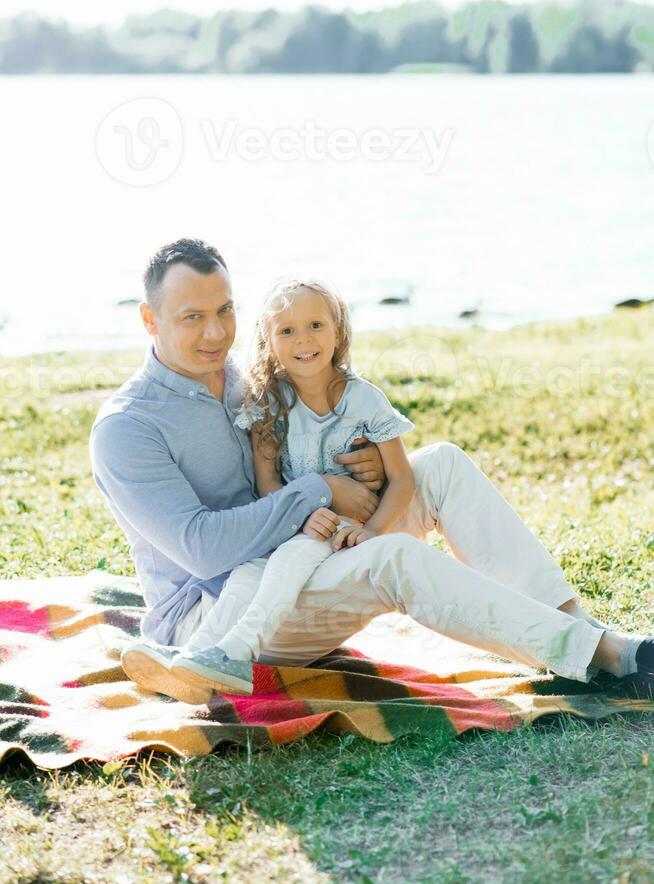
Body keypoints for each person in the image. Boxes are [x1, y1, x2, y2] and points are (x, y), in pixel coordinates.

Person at [90, 238, 654, 706]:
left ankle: (587, 636)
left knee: (442, 466)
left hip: (309, 557)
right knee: (394, 557)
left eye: (225, 311)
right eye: (193, 318)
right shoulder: (128, 427)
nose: (216, 334)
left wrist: (360, 465)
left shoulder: (249, 382)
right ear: (149, 318)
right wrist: (322, 489)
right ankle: (611, 659)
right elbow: (203, 550)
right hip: (220, 618)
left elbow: (312, 438)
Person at [166, 277, 418, 697]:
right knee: (248, 570)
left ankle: (240, 649)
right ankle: (194, 657)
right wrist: (298, 514)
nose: (304, 339)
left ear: (338, 329)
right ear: (268, 341)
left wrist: (372, 530)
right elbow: (268, 483)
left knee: (292, 559)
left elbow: (402, 478)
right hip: (293, 522)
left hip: (341, 527)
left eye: (316, 325)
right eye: (287, 330)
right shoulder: (270, 402)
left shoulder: (365, 400)